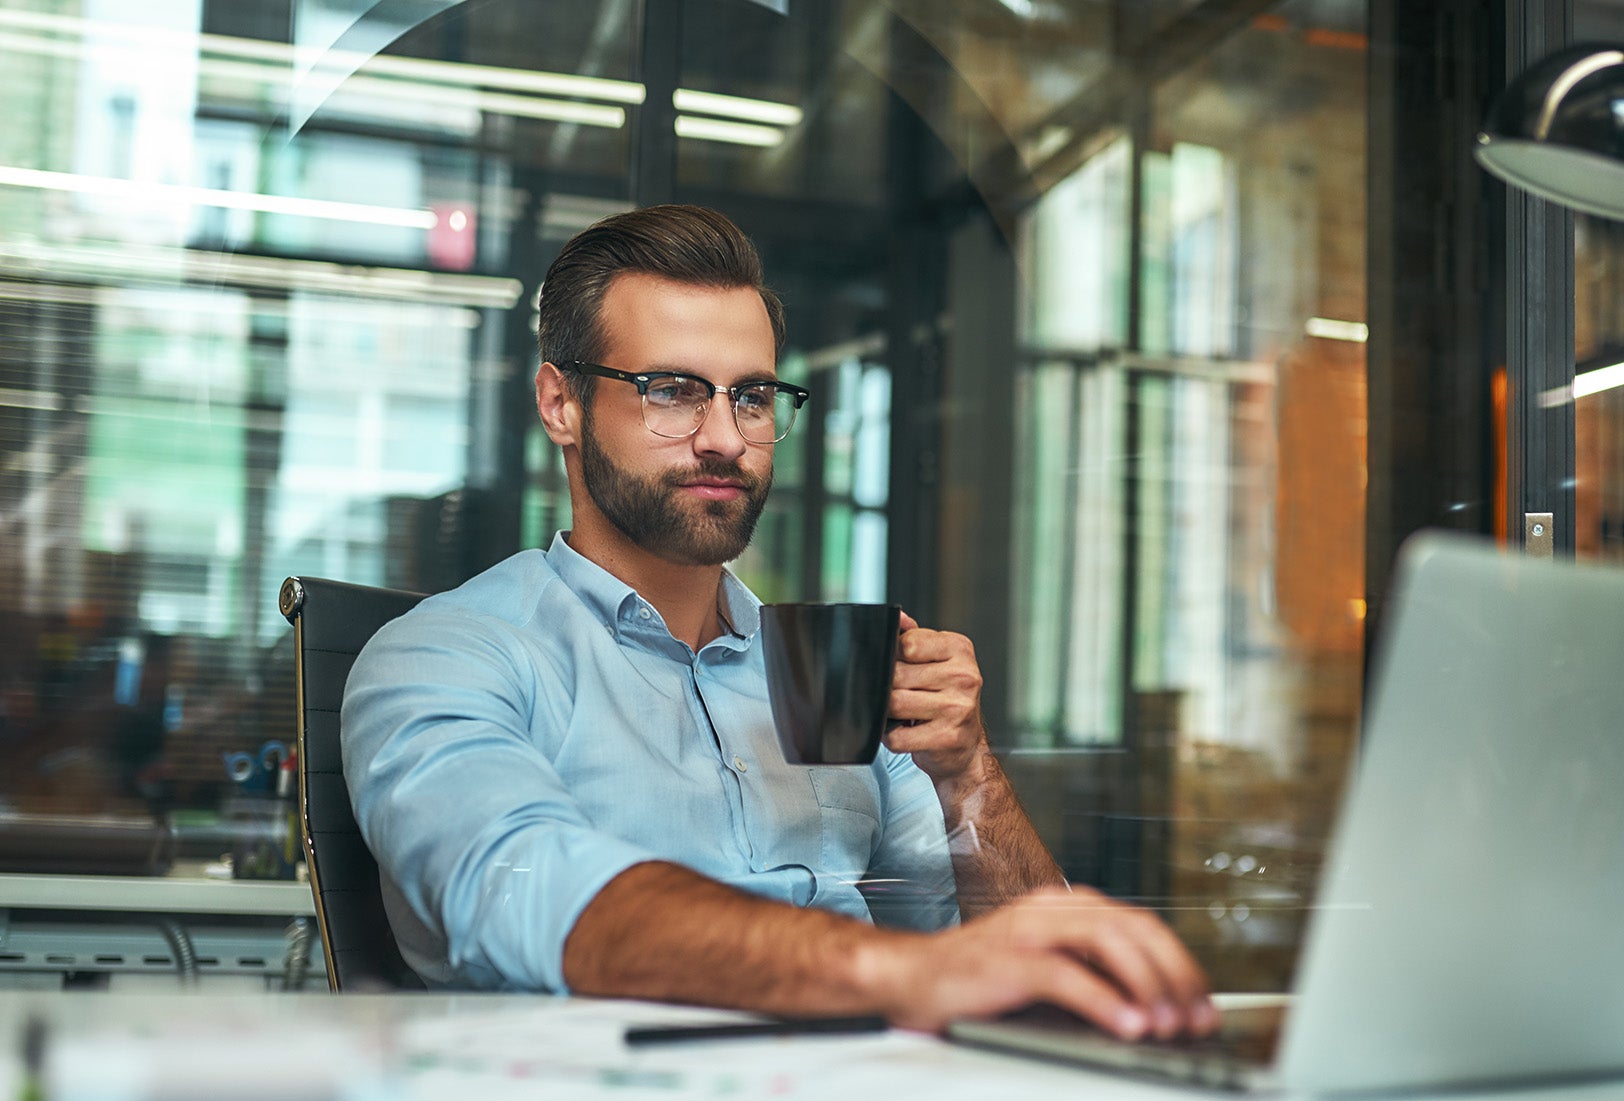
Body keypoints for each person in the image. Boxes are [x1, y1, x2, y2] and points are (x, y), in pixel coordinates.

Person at [344, 204, 1216, 1041]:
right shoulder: (445, 656)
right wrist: (899, 974)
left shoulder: (824, 672)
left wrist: (967, 773)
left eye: (753, 398)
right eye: (673, 391)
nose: (725, 437)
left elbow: (1009, 954)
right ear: (561, 404)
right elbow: (529, 894)